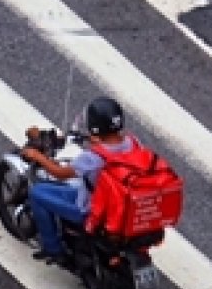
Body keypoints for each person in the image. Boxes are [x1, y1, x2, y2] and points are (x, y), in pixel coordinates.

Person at [21, 96, 136, 263]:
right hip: (120, 207)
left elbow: (59, 172)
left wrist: (37, 156)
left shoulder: (92, 158)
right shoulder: (132, 143)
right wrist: (92, 139)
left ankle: (53, 249)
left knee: (37, 193)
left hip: (89, 209)